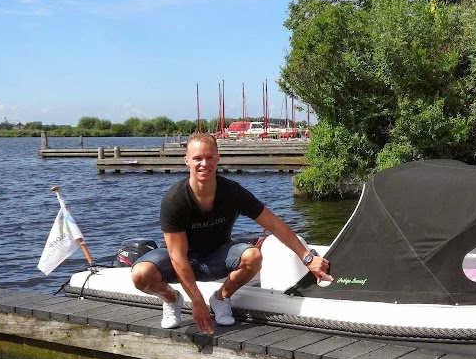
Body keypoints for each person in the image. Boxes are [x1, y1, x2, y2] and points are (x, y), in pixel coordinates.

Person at [131, 132, 332, 334]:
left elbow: (275, 224)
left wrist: (307, 257)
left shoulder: (232, 192)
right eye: (197, 158)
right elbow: (177, 256)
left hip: (217, 256)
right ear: (187, 161)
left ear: (218, 159)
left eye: (210, 157)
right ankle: (171, 299)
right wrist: (197, 301)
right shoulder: (175, 200)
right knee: (141, 275)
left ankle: (220, 298)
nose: (204, 163)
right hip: (182, 259)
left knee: (253, 256)